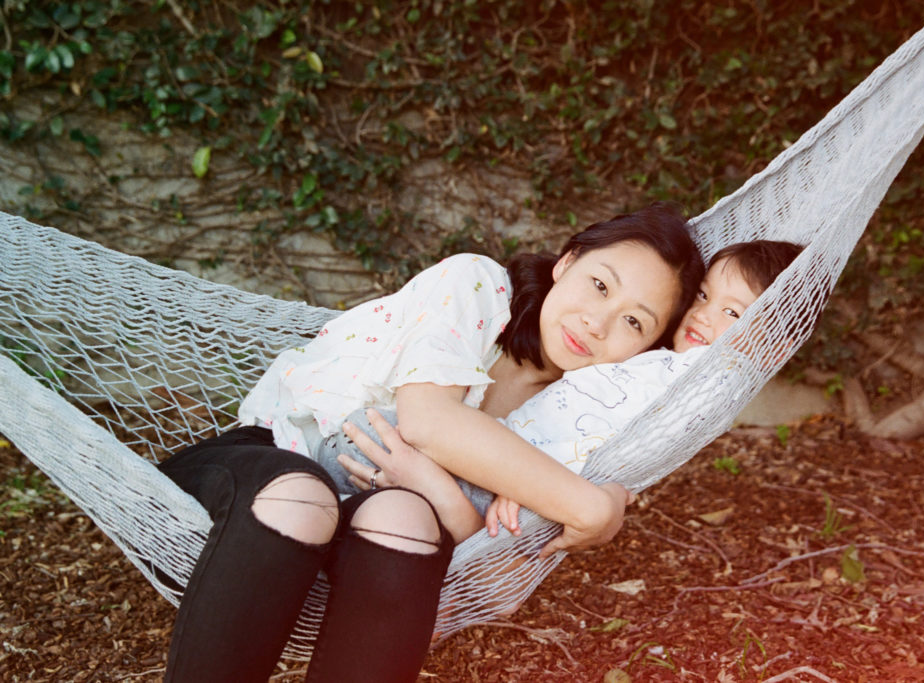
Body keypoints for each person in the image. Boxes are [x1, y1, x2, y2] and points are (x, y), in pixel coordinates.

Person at [157, 202, 704, 683]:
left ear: (646, 351)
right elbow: (426, 420)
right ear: (566, 262)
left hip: (363, 533)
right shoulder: (478, 286)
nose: (598, 322)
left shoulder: (571, 423)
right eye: (600, 285)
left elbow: (493, 577)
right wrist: (590, 506)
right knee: (305, 499)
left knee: (406, 517)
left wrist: (434, 489)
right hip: (264, 468)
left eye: (634, 321)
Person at [336, 240, 804, 539]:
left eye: (735, 314)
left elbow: (600, 438)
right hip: (496, 463)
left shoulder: (704, 380)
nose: (703, 316)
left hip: (510, 478)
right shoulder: (643, 363)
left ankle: (447, 517)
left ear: (772, 347)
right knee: (377, 443)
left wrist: (594, 494)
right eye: (702, 297)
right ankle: (443, 514)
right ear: (568, 263)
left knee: (370, 437)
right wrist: (600, 504)